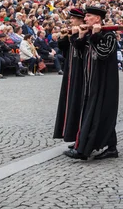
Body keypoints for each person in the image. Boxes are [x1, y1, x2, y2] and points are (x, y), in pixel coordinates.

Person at [64, 6, 119, 161]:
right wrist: (80, 37)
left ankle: (85, 149)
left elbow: (103, 53)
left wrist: (95, 36)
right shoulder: (89, 34)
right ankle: (108, 147)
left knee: (101, 114)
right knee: (96, 113)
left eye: (88, 16)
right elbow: (79, 55)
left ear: (97, 19)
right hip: (89, 81)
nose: (85, 19)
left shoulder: (108, 35)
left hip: (103, 82)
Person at [54, 8, 86, 144]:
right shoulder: (71, 31)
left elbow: (81, 48)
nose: (71, 21)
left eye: (73, 18)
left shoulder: (86, 33)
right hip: (70, 70)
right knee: (68, 103)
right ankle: (71, 136)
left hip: (80, 72)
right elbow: (65, 51)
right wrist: (62, 39)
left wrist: (75, 36)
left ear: (80, 19)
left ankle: (79, 138)